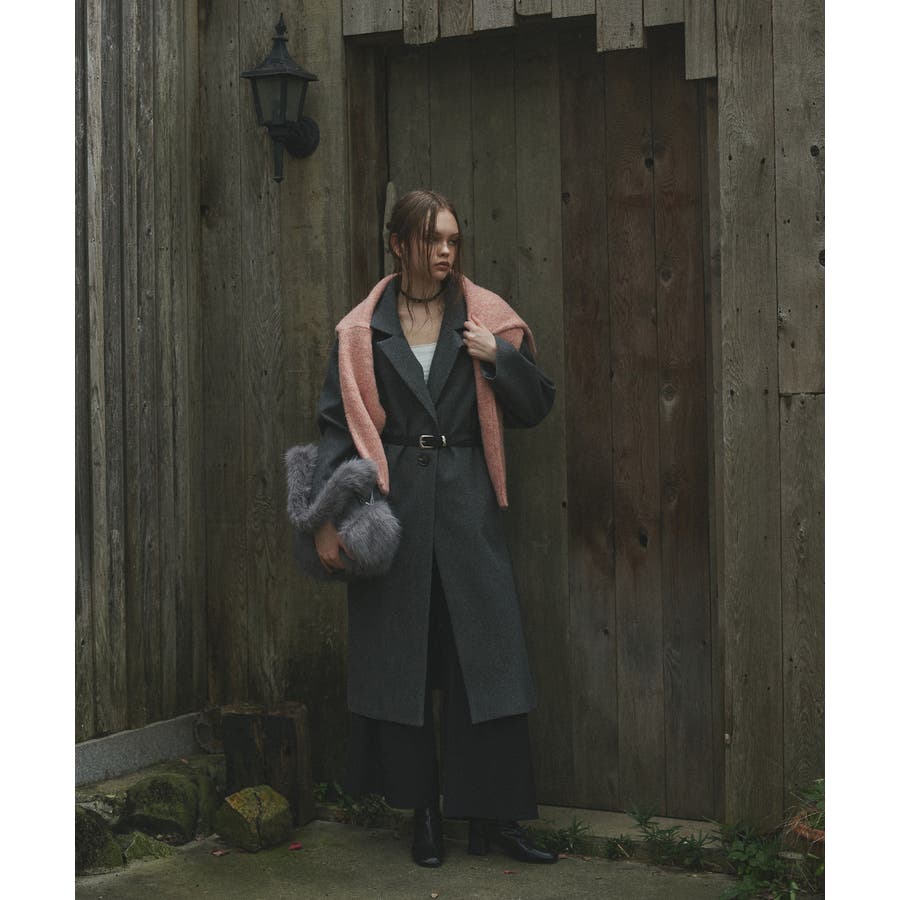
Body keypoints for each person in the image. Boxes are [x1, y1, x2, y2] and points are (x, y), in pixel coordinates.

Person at [310, 189, 557, 867]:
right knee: (406, 664)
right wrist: (325, 521)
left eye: (452, 239)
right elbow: (336, 428)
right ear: (399, 245)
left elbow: (537, 404)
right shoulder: (361, 332)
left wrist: (497, 356)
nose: (446, 251)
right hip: (393, 515)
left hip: (469, 509)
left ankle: (494, 820)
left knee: (487, 661)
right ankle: (422, 816)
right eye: (431, 240)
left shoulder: (485, 317)